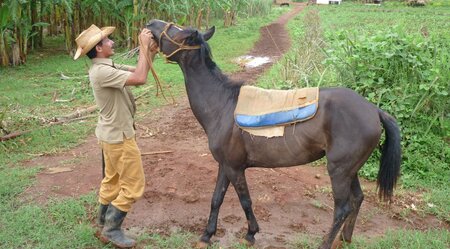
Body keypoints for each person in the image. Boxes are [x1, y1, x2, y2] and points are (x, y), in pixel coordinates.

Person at [73, 24, 158, 248]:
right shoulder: (102, 72)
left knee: (111, 180)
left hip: (110, 135)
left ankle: (103, 221)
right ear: (99, 49)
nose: (112, 42)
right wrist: (142, 45)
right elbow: (140, 78)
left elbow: (140, 71)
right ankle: (111, 229)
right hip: (119, 138)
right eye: (107, 41)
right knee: (133, 184)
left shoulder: (105, 66)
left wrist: (150, 52)